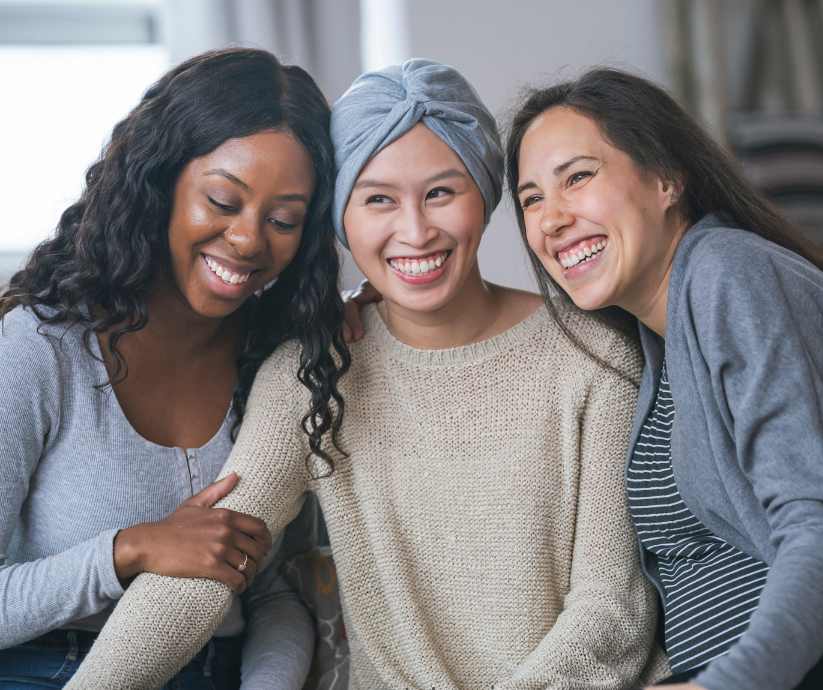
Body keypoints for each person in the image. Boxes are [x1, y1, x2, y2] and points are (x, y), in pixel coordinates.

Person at [64, 59, 666, 690]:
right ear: (340, 223)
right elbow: (201, 576)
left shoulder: (594, 356)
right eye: (378, 198)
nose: (414, 231)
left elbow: (611, 614)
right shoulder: (313, 372)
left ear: (486, 196)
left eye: (441, 192)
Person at [0, 47, 350, 689]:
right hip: (53, 669)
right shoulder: (41, 347)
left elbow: (271, 594)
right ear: (160, 184)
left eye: (282, 220)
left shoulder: (278, 369)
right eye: (222, 200)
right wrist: (130, 550)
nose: (248, 240)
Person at [507, 67, 823, 690]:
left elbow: (816, 523)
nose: (551, 219)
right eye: (531, 198)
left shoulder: (727, 275)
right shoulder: (653, 338)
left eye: (578, 177)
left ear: (667, 179)